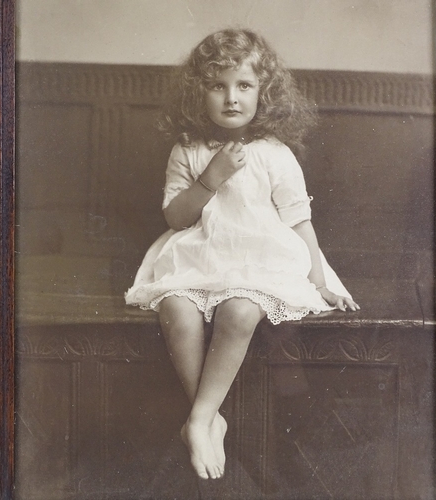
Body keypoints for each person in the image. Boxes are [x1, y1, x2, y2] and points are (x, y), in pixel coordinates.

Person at [125, 28, 360, 481]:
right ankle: (210, 416)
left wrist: (321, 282)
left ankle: (197, 419)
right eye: (218, 85)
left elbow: (298, 221)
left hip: (261, 260)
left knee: (240, 310)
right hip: (200, 253)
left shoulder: (274, 153)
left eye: (244, 85)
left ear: (263, 92)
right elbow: (176, 218)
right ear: (200, 92)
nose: (232, 98)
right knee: (175, 307)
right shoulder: (188, 150)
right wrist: (209, 178)